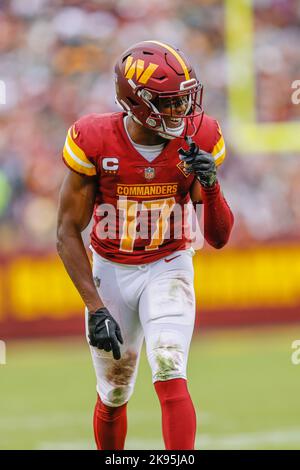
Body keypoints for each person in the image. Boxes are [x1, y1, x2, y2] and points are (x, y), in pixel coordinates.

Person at [56, 40, 234, 450]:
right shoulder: (95, 138)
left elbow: (219, 238)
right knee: (113, 391)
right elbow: (66, 232)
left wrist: (210, 185)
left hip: (169, 263)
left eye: (184, 100)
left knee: (170, 366)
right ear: (136, 102)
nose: (181, 111)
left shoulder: (200, 135)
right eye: (169, 102)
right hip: (111, 270)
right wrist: (95, 308)